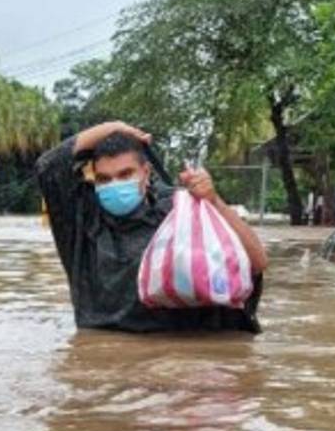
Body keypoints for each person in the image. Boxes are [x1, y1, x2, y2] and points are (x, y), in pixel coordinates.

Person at [36, 121, 268, 333]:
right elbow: (48, 165)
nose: (115, 184)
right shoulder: (82, 221)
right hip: (111, 352)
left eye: (125, 174)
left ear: (146, 173)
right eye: (104, 179)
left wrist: (214, 201)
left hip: (186, 355)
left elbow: (256, 263)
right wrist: (114, 127)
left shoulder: (182, 210)